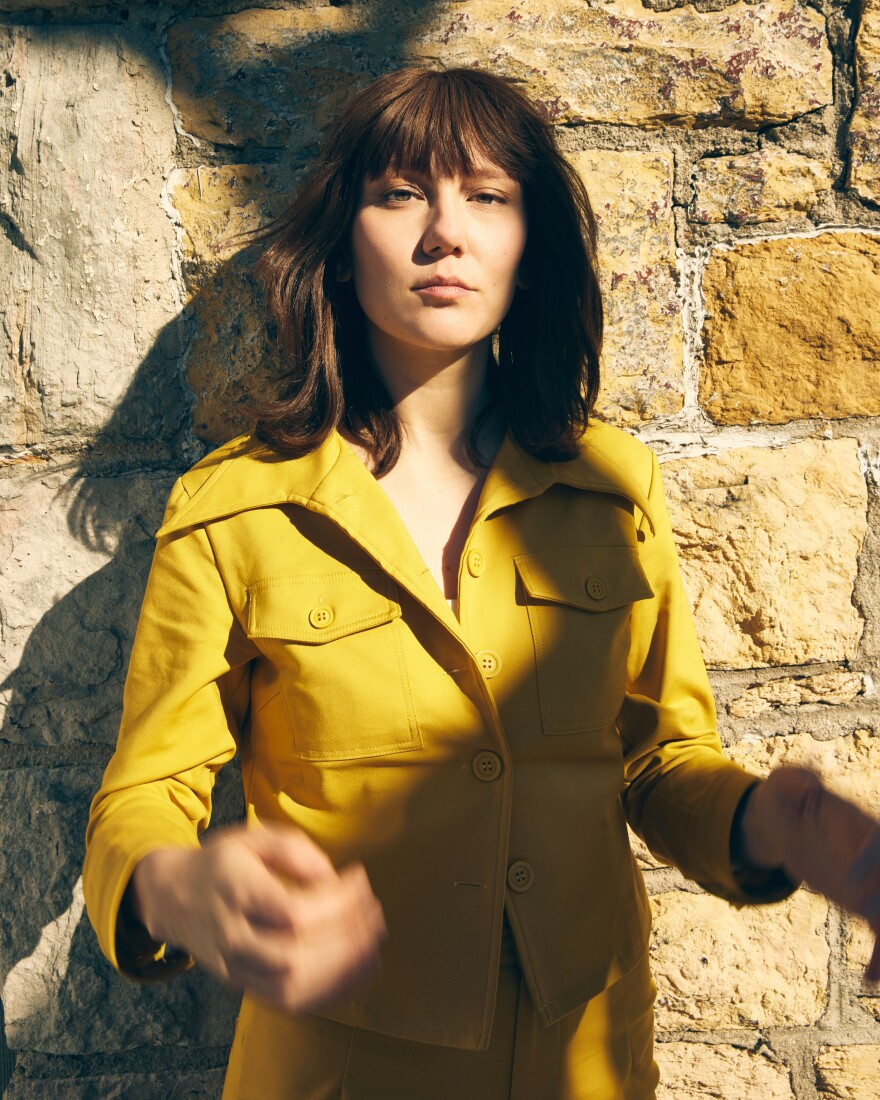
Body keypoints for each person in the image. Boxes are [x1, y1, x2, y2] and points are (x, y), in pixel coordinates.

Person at [83, 67, 880, 1099]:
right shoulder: (236, 509)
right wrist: (174, 885)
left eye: (488, 196)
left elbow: (652, 760)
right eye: (401, 192)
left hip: (586, 1063)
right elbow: (143, 794)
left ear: (527, 245)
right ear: (341, 241)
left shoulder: (609, 486)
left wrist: (774, 823)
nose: (445, 232)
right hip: (341, 1070)